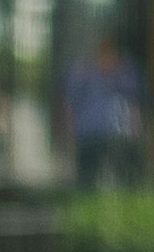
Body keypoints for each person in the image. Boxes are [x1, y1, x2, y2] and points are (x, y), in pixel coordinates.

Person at [62, 33, 145, 190]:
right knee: (87, 177)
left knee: (125, 176)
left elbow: (134, 103)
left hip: (119, 135)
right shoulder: (82, 72)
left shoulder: (126, 72)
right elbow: (70, 104)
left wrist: (135, 129)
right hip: (89, 134)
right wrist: (71, 132)